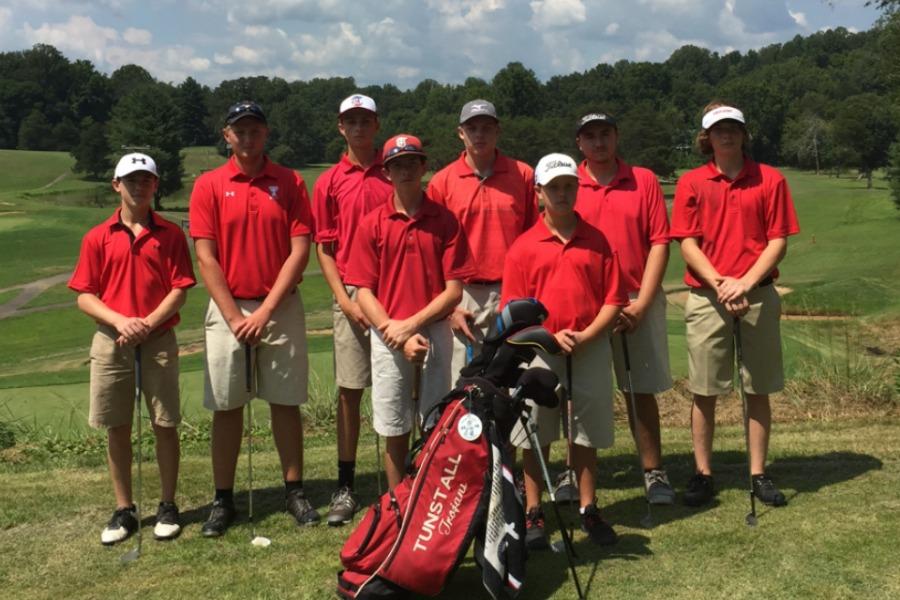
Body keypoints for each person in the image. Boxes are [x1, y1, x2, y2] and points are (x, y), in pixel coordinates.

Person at [189, 101, 319, 537]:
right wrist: (233, 315)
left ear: (266, 134)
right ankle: (222, 499)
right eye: (239, 131)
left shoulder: (289, 181)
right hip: (228, 307)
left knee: (285, 402)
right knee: (227, 405)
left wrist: (264, 311)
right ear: (226, 135)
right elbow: (205, 257)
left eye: (255, 130)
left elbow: (300, 250)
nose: (247, 138)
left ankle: (294, 489)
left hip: (278, 305)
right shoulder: (208, 185)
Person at [670, 102, 800, 507]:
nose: (726, 135)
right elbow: (687, 243)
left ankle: (758, 473)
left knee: (758, 387)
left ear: (744, 134)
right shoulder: (691, 182)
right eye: (718, 129)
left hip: (757, 293)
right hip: (709, 296)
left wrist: (744, 282)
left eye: (734, 128)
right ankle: (703, 473)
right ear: (706, 138)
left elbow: (778, 240)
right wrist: (722, 283)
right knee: (704, 390)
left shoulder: (770, 179)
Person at [69, 152, 196, 545]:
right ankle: (124, 509)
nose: (138, 187)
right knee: (117, 426)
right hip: (111, 341)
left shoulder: (171, 234)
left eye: (146, 180)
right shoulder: (97, 236)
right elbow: (84, 295)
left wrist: (146, 324)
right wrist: (122, 322)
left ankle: (168, 504)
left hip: (157, 339)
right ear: (116, 184)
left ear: (155, 185)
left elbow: (179, 291)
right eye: (131, 180)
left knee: (164, 423)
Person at [503, 153, 628, 550]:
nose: (562, 193)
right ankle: (534, 510)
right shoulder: (523, 247)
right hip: (542, 350)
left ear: (578, 189)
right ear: (538, 192)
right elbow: (515, 314)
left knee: (585, 432)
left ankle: (588, 508)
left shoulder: (598, 239)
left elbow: (613, 299)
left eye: (569, 186)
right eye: (553, 187)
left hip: (589, 346)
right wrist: (549, 338)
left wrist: (589, 335)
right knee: (535, 432)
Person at [345, 134, 473, 490]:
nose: (405, 171)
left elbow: (453, 292)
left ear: (423, 167)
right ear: (386, 173)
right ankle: (398, 501)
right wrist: (393, 331)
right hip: (387, 332)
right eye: (397, 165)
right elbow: (364, 291)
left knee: (434, 422)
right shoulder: (372, 223)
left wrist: (409, 327)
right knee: (394, 423)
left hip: (432, 330)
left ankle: (428, 498)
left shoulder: (444, 221)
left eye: (412, 163)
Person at [574, 111, 676, 505]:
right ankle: (575, 474)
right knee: (578, 393)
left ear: (616, 137)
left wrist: (644, 304)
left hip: (635, 299)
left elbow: (659, 243)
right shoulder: (569, 181)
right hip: (587, 304)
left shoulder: (644, 180)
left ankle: (653, 471)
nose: (598, 143)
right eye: (590, 136)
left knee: (640, 390)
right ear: (579, 144)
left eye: (605, 134)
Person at [312, 93, 393, 526]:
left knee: (403, 389)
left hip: (396, 293)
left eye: (366, 120)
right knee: (350, 390)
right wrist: (345, 300)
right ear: (341, 127)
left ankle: (404, 477)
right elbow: (324, 248)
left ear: (376, 125)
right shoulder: (328, 182)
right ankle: (346, 483)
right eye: (351, 121)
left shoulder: (399, 169)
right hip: (351, 294)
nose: (359, 128)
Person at [427, 99, 537, 384]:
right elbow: (433, 251)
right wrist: (449, 307)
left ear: (498, 131)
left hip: (512, 289)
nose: (479, 134)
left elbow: (534, 240)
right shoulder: (442, 182)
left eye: (486, 127)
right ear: (460, 133)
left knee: (512, 382)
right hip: (462, 295)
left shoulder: (522, 174)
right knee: (463, 386)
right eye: (472, 128)